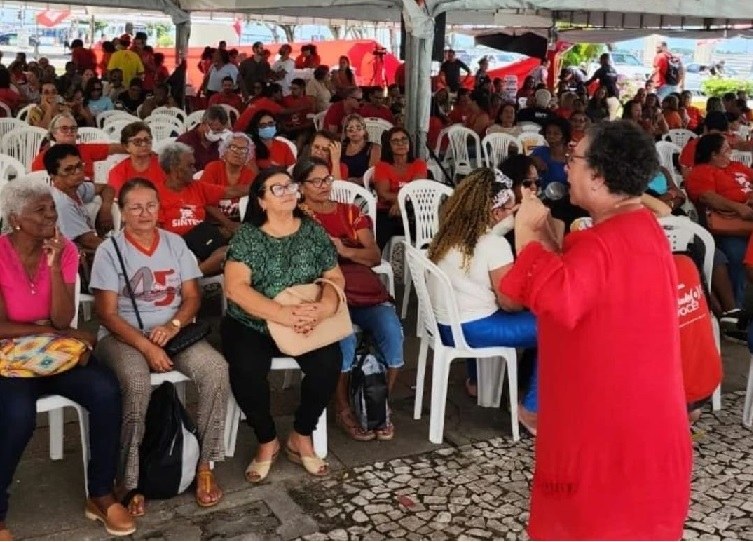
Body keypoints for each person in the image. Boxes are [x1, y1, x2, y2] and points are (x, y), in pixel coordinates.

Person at [498, 119, 692, 539]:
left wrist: (529, 234)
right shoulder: (639, 227)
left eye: (573, 158)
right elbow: (576, 284)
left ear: (599, 176)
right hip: (642, 428)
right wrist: (547, 239)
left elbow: (555, 298)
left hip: (608, 438)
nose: (565, 167)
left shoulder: (604, 242)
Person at [0, 178, 135, 539]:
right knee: (17, 416)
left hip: (56, 356)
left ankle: (101, 494)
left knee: (106, 391)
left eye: (51, 208)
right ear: (15, 219)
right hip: (12, 358)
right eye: (39, 210)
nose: (50, 215)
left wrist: (57, 263)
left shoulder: (66, 251)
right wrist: (52, 333)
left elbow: (62, 318)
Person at [90, 178, 230, 517]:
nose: (144, 213)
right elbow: (106, 313)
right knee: (136, 383)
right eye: (135, 206)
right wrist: (146, 345)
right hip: (123, 337)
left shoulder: (174, 243)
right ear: (121, 211)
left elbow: (193, 296)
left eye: (151, 205)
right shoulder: (110, 250)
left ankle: (205, 465)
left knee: (216, 370)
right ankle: (130, 478)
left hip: (173, 333)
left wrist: (173, 326)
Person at [221, 167, 344, 482]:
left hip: (304, 319)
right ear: (261, 200)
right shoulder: (248, 235)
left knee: (329, 363)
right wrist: (280, 314)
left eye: (290, 185)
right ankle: (267, 439)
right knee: (246, 368)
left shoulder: (312, 231)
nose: (288, 190)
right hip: (254, 322)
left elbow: (333, 276)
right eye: (277, 188)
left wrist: (325, 307)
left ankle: (301, 434)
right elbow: (235, 288)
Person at [295, 158, 404, 441]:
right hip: (326, 291)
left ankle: (377, 402)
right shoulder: (297, 218)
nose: (324, 186)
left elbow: (373, 255)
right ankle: (343, 406)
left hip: (362, 289)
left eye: (327, 179)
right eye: (316, 181)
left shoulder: (349, 212)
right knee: (345, 338)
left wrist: (345, 250)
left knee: (392, 329)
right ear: (301, 187)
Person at [427, 168, 539, 434]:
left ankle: (478, 381)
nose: (513, 212)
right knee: (555, 326)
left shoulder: (448, 233)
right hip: (473, 329)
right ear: (496, 211)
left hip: (445, 325)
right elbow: (510, 303)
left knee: (483, 299)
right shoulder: (493, 244)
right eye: (511, 207)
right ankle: (532, 408)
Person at [156, 143, 249, 275]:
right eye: (190, 165)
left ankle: (193, 275)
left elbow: (231, 192)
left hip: (203, 240)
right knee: (227, 255)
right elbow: (156, 231)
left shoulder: (197, 186)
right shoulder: (155, 194)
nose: (194, 170)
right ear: (174, 169)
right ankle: (194, 275)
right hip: (176, 246)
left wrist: (265, 185)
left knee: (235, 251)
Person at [685, 133, 753, 306]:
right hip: (731, 229)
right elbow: (707, 197)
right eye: (726, 149)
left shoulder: (738, 167)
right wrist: (739, 208)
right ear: (713, 154)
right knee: (738, 255)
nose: (731, 151)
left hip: (748, 218)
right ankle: (738, 309)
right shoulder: (702, 172)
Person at [45, 144, 115, 250]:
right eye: (68, 170)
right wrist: (119, 251)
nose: (77, 172)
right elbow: (89, 242)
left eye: (79, 166)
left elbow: (107, 188)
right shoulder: (62, 204)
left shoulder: (75, 188)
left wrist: (105, 209)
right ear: (53, 176)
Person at [373, 127, 428, 249]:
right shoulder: (382, 166)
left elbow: (416, 190)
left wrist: (399, 202)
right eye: (395, 141)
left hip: (412, 210)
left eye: (404, 140)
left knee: (427, 230)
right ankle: (376, 264)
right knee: (380, 232)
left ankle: (427, 263)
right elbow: (383, 194)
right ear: (389, 145)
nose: (401, 143)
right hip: (388, 211)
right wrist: (400, 201)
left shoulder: (419, 164)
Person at [32, 113, 125, 180]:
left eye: (73, 128)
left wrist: (136, 146)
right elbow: (36, 182)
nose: (69, 131)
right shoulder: (44, 157)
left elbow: (114, 148)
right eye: (64, 128)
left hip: (88, 195)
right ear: (54, 133)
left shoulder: (85, 149)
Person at [200, 132, 257, 226]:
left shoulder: (250, 174)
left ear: (248, 155)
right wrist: (228, 223)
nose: (238, 152)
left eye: (243, 150)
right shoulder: (213, 168)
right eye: (233, 147)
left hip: (241, 223)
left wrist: (216, 194)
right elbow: (205, 199)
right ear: (225, 151)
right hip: (213, 223)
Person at [108, 122, 166, 194]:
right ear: (126, 147)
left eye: (147, 140)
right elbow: (120, 200)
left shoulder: (165, 165)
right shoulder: (118, 172)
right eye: (137, 141)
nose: (144, 144)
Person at [176, 106, 230, 171]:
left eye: (221, 131)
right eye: (215, 130)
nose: (218, 134)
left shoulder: (220, 142)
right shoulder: (185, 141)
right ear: (203, 123)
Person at [530, 117, 570, 188]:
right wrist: (533, 160)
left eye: (556, 134)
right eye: (548, 133)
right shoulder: (539, 152)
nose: (551, 136)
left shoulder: (571, 156)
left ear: (564, 137)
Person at [341, 114, 382, 182]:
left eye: (358, 128)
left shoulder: (374, 148)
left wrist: (357, 181)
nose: (355, 131)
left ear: (364, 130)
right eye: (351, 129)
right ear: (346, 133)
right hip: (342, 187)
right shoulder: (341, 148)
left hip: (364, 188)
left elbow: (372, 175)